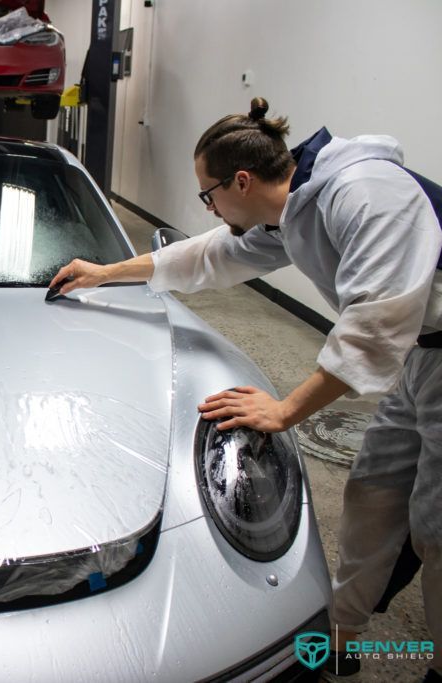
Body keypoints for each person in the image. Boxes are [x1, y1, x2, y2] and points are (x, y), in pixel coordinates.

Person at [50, 97, 441, 681]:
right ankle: (344, 633)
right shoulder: (296, 210)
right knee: (373, 493)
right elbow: (211, 256)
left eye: (208, 195)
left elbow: (376, 323)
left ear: (241, 179)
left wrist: (286, 409)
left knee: (435, 523)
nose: (209, 207)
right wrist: (105, 273)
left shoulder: (365, 193)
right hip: (421, 360)